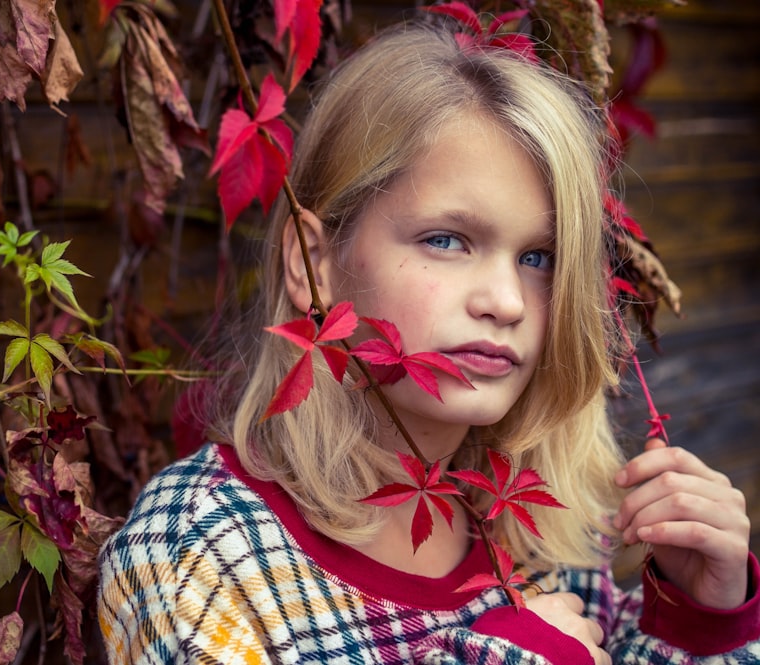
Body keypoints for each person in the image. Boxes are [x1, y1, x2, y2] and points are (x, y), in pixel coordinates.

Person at [97, 19, 759, 664]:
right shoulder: (200, 555)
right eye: (446, 240)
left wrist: (698, 624)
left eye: (539, 257)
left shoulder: (538, 525)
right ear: (314, 266)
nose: (503, 301)